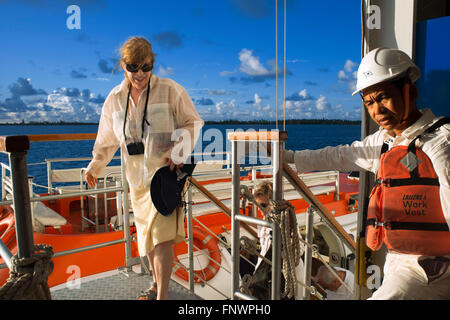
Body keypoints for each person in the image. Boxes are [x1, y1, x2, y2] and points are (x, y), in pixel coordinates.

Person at [283, 47, 450, 299]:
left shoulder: (440, 144)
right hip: (396, 262)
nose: (377, 111)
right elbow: (339, 155)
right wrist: (288, 158)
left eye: (384, 97)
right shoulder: (384, 142)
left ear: (410, 92)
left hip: (432, 268)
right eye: (369, 102)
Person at [84, 36, 203, 300]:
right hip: (136, 181)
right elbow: (107, 139)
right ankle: (154, 284)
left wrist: (178, 151)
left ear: (153, 65)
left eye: (146, 67)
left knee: (160, 238)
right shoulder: (115, 99)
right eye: (133, 67)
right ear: (122, 65)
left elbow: (193, 122)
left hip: (163, 177)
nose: (140, 74)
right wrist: (95, 166)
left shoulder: (171, 90)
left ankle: (161, 295)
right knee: (147, 237)